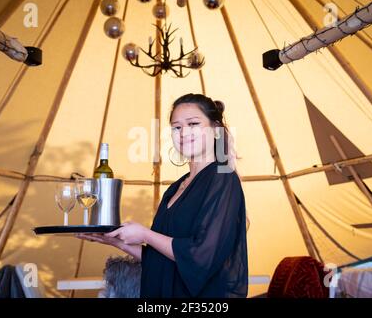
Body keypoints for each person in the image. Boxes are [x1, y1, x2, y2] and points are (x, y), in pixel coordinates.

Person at [77, 93, 248, 298]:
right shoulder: (176, 187)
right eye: (176, 127)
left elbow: (201, 255)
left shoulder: (223, 178)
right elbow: (161, 260)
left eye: (193, 124)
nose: (183, 133)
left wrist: (145, 234)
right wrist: (117, 242)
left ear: (216, 130)